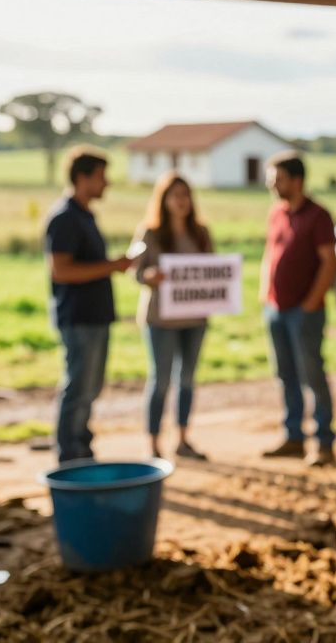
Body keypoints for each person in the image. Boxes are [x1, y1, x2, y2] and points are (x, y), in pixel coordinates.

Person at [44, 145, 135, 464]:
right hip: (78, 317)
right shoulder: (66, 218)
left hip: (94, 316)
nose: (106, 184)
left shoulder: (83, 215)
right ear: (82, 178)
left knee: (90, 387)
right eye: (101, 177)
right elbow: (62, 270)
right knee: (79, 387)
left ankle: (80, 446)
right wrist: (114, 266)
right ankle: (70, 454)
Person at [259, 151, 336, 466]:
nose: (272, 184)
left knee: (312, 375)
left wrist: (311, 302)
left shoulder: (318, 216)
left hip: (304, 312)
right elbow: (271, 252)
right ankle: (293, 437)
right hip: (275, 309)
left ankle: (324, 442)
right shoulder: (276, 213)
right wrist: (265, 293)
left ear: (297, 180)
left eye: (277, 178)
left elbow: (329, 262)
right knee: (285, 374)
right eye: (271, 178)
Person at [132, 173, 213, 460]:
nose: (181, 201)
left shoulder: (201, 233)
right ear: (164, 200)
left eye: (185, 195)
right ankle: (153, 444)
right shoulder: (150, 233)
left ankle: (183, 438)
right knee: (161, 380)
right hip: (161, 319)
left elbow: (212, 272)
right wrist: (149, 276)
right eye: (175, 195)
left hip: (195, 319)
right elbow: (137, 272)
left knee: (187, 379)